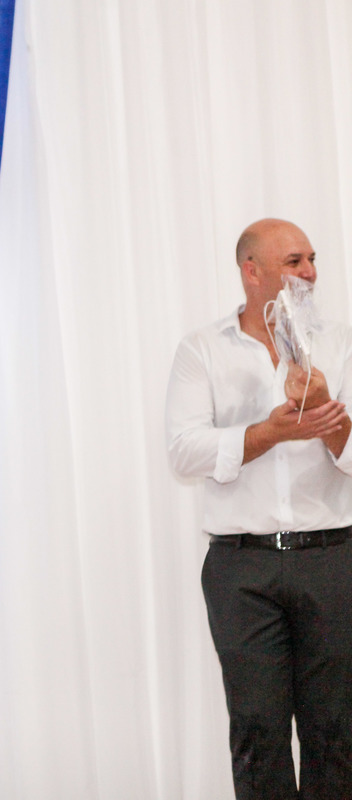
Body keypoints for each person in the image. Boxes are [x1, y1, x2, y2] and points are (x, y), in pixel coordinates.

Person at [166, 218, 352, 799]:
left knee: (337, 730)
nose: (311, 272)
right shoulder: (202, 348)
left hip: (332, 559)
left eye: (313, 259)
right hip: (241, 568)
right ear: (252, 271)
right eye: (295, 261)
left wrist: (326, 417)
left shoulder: (341, 343)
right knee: (257, 731)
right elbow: (184, 452)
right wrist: (270, 432)